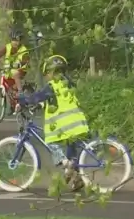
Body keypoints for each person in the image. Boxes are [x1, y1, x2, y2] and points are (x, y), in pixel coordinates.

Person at [17, 55, 88, 190]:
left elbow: (36, 97)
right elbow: (58, 101)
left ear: (52, 72)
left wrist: (23, 99)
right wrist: (42, 105)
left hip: (65, 124)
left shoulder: (51, 87)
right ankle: (76, 176)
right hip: (77, 123)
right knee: (71, 147)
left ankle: (66, 164)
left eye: (47, 73)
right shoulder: (68, 83)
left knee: (51, 143)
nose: (47, 76)